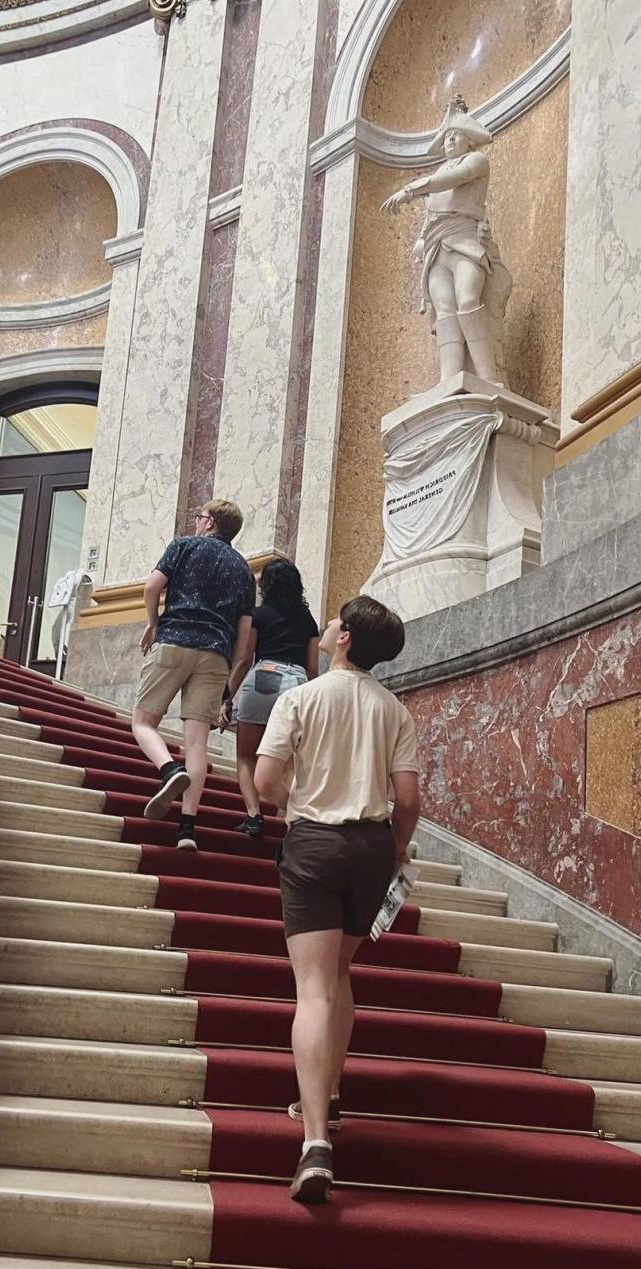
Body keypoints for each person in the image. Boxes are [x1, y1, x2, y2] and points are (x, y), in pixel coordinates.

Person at [254, 595, 421, 1204]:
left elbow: (268, 782)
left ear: (344, 638)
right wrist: (398, 850)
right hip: (373, 850)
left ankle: (316, 1141)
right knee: (340, 972)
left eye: (332, 621)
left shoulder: (301, 698)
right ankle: (328, 1089)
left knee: (314, 988)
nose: (323, 626)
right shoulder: (393, 709)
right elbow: (407, 798)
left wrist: (303, 798)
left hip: (316, 845)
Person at [132, 499, 255, 851]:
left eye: (200, 517)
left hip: (174, 640)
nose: (197, 522)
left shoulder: (183, 546)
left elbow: (151, 588)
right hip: (216, 654)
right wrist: (229, 675)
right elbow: (244, 637)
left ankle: (169, 770)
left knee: (143, 722)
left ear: (210, 521)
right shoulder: (244, 570)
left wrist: (154, 624)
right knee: (197, 742)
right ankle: (187, 829)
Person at [380, 98, 512, 385]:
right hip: (437, 246)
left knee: (467, 299)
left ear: (469, 141)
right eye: (447, 137)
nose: (450, 141)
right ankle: (449, 380)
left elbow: (456, 179)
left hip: (465, 241)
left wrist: (410, 190)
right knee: (445, 309)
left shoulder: (476, 161)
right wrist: (419, 239)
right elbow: (431, 215)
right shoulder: (439, 173)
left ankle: (488, 378)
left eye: (456, 136)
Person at [220, 558, 320, 838]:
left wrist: (227, 698)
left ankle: (254, 816)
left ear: (266, 585)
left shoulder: (258, 615)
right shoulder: (308, 621)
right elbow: (313, 669)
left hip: (264, 674)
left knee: (246, 757)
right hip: (297, 684)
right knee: (288, 760)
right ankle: (292, 816)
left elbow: (244, 659)